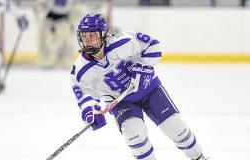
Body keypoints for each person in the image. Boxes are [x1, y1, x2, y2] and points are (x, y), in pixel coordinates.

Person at [70, 14, 208, 160]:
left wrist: (144, 68)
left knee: (175, 127)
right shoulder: (80, 70)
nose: (88, 41)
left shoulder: (123, 41)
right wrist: (91, 112)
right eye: (84, 36)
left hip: (149, 89)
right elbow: (84, 94)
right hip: (121, 101)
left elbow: (152, 45)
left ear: (103, 34)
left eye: (93, 36)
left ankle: (199, 158)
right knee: (134, 134)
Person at [36, 0, 82, 69]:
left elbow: (77, 8)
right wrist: (42, 16)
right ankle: (46, 62)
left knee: (67, 43)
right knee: (48, 43)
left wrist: (72, 21)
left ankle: (66, 62)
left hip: (65, 21)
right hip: (49, 21)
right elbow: (40, 6)